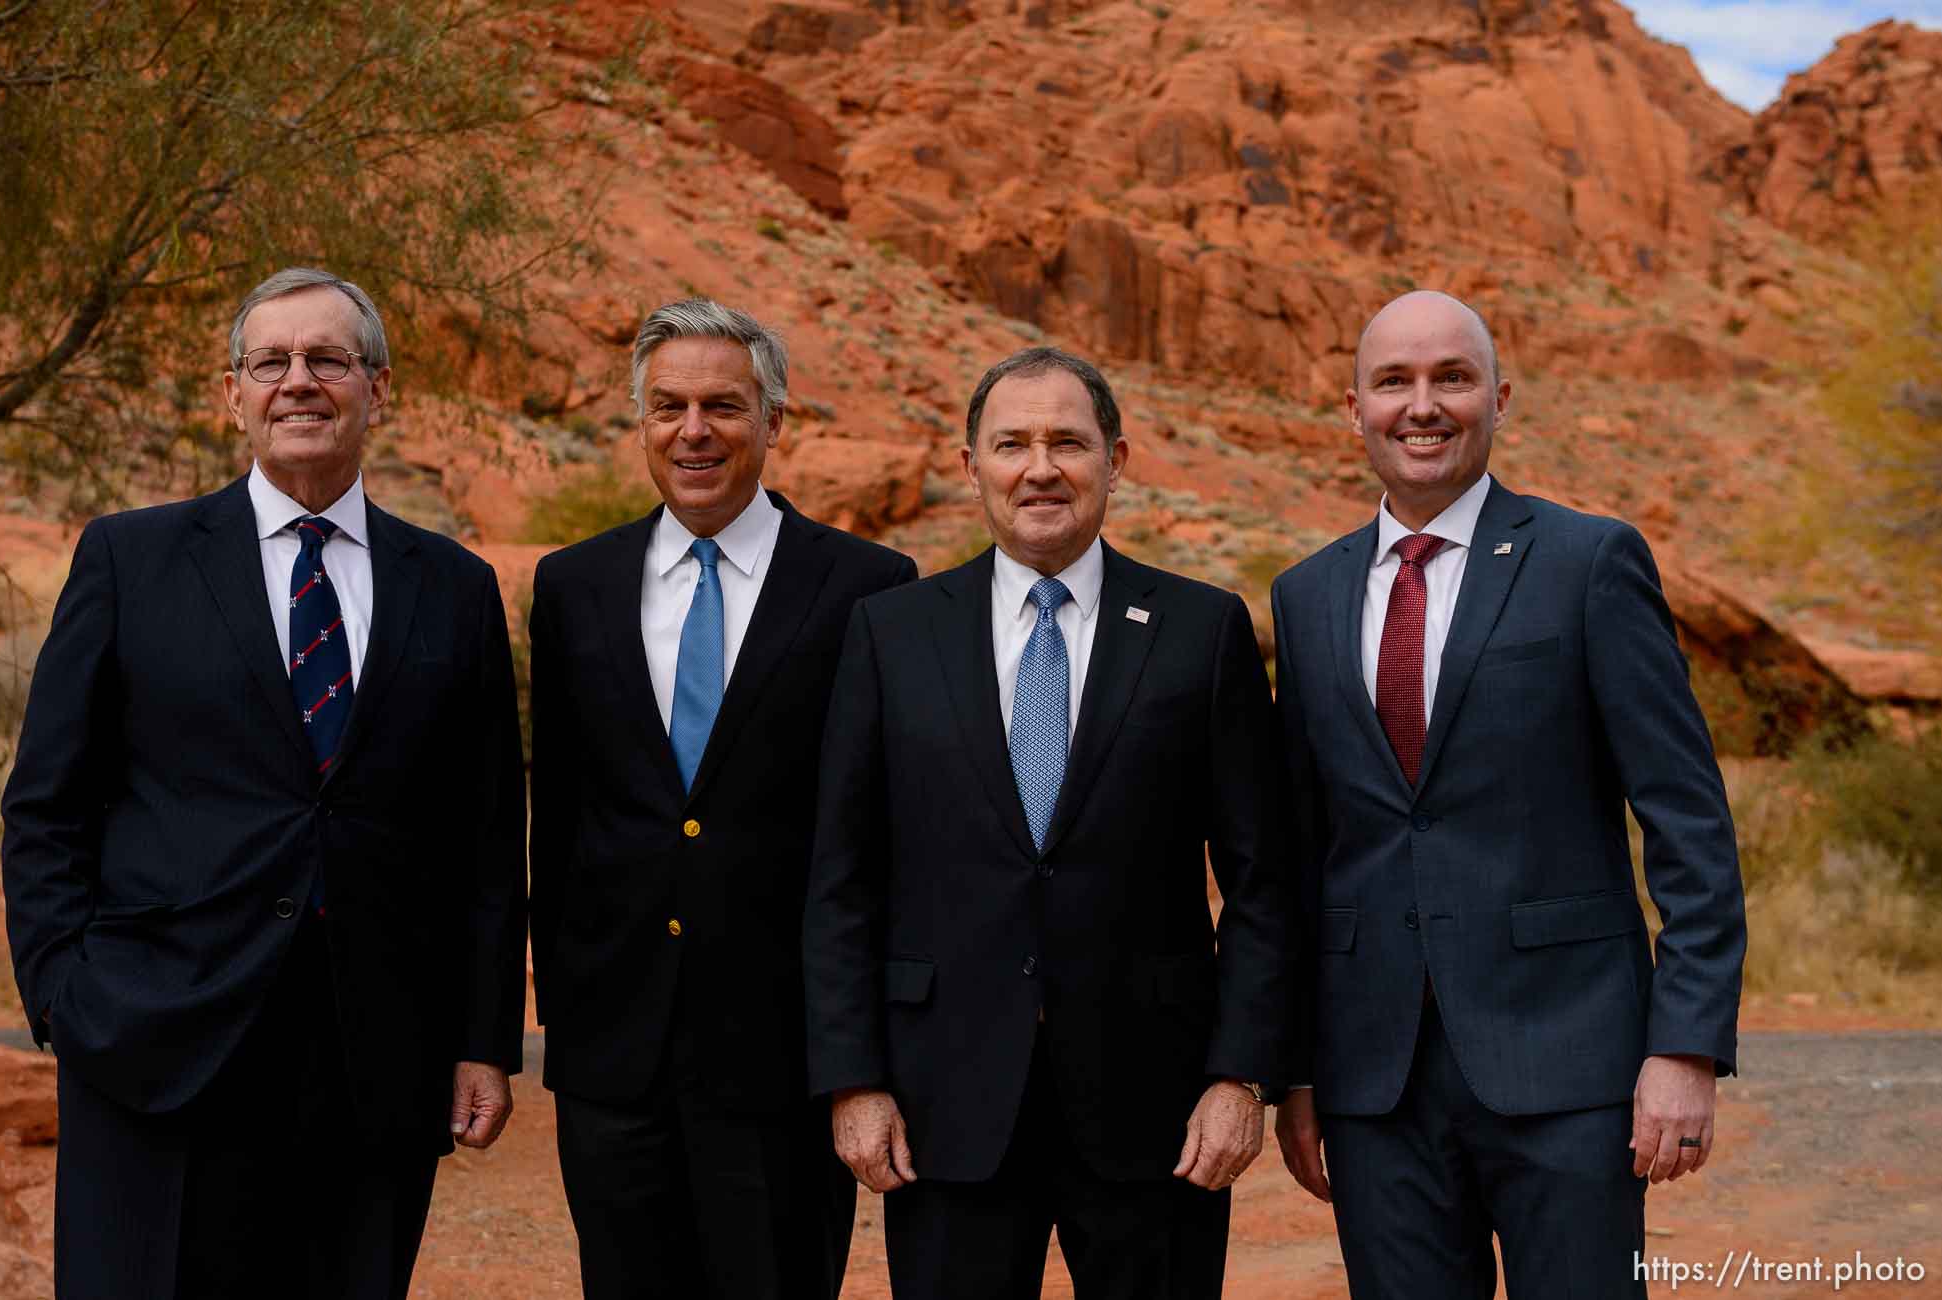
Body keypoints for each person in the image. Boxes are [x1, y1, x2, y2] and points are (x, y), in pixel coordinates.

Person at [0, 267, 527, 1299]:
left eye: (328, 358)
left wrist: (481, 1040)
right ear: (230, 395)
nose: (298, 381)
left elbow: (484, 837)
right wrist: (66, 996)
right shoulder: (129, 559)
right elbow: (46, 804)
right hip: (156, 1044)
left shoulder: (455, 586)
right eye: (270, 361)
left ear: (381, 391)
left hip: (375, 1057)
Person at [1269, 289, 1748, 1298]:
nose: (1423, 403)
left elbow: (1688, 820)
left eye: (1454, 376)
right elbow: (1303, 853)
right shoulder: (1305, 595)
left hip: (1571, 1067)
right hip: (1374, 1079)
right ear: (1353, 407)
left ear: (1501, 397)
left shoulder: (1588, 562)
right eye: (1394, 380)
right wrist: (1299, 1071)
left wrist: (1685, 1043)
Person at [804, 346, 1287, 1300]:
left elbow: (1263, 879)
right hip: (944, 1106)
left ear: (1115, 459)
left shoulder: (1201, 629)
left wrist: (1241, 1078)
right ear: (969, 464)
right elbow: (841, 879)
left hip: (1159, 1112)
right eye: (1011, 443)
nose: (1039, 467)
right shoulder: (891, 633)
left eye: (1067, 441)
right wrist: (853, 1082)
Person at [529, 298, 916, 1299]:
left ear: (774, 422)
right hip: (615, 1061)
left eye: (722, 407)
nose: (692, 430)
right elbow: (563, 815)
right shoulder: (574, 584)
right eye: (667, 408)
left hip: (784, 1061)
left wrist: (861, 1055)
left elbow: (885, 836)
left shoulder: (870, 590)